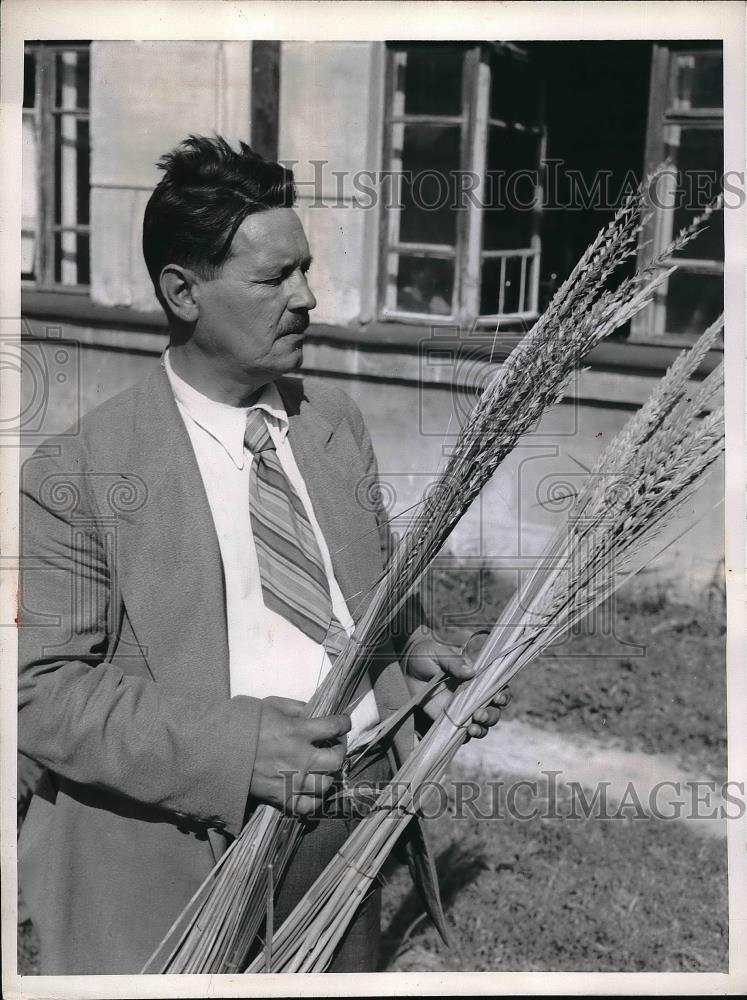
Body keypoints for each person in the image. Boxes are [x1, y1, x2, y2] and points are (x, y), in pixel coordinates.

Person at [17, 136, 509, 974]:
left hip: (343, 837)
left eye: (306, 269)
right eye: (273, 278)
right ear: (183, 292)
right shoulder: (78, 472)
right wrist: (238, 749)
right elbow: (44, 698)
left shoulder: (332, 423)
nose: (307, 297)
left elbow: (374, 600)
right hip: (169, 866)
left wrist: (413, 661)